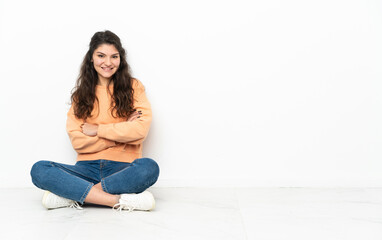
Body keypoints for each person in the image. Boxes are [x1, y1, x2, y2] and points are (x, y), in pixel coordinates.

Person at [30, 30, 159, 211]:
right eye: (101, 56)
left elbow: (139, 131)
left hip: (123, 170)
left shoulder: (134, 87)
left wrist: (97, 130)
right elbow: (78, 142)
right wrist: (119, 136)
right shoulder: (80, 95)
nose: (108, 62)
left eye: (114, 56)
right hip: (85, 170)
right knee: (39, 169)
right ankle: (115, 200)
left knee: (149, 168)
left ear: (120, 59)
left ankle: (73, 196)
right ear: (91, 57)